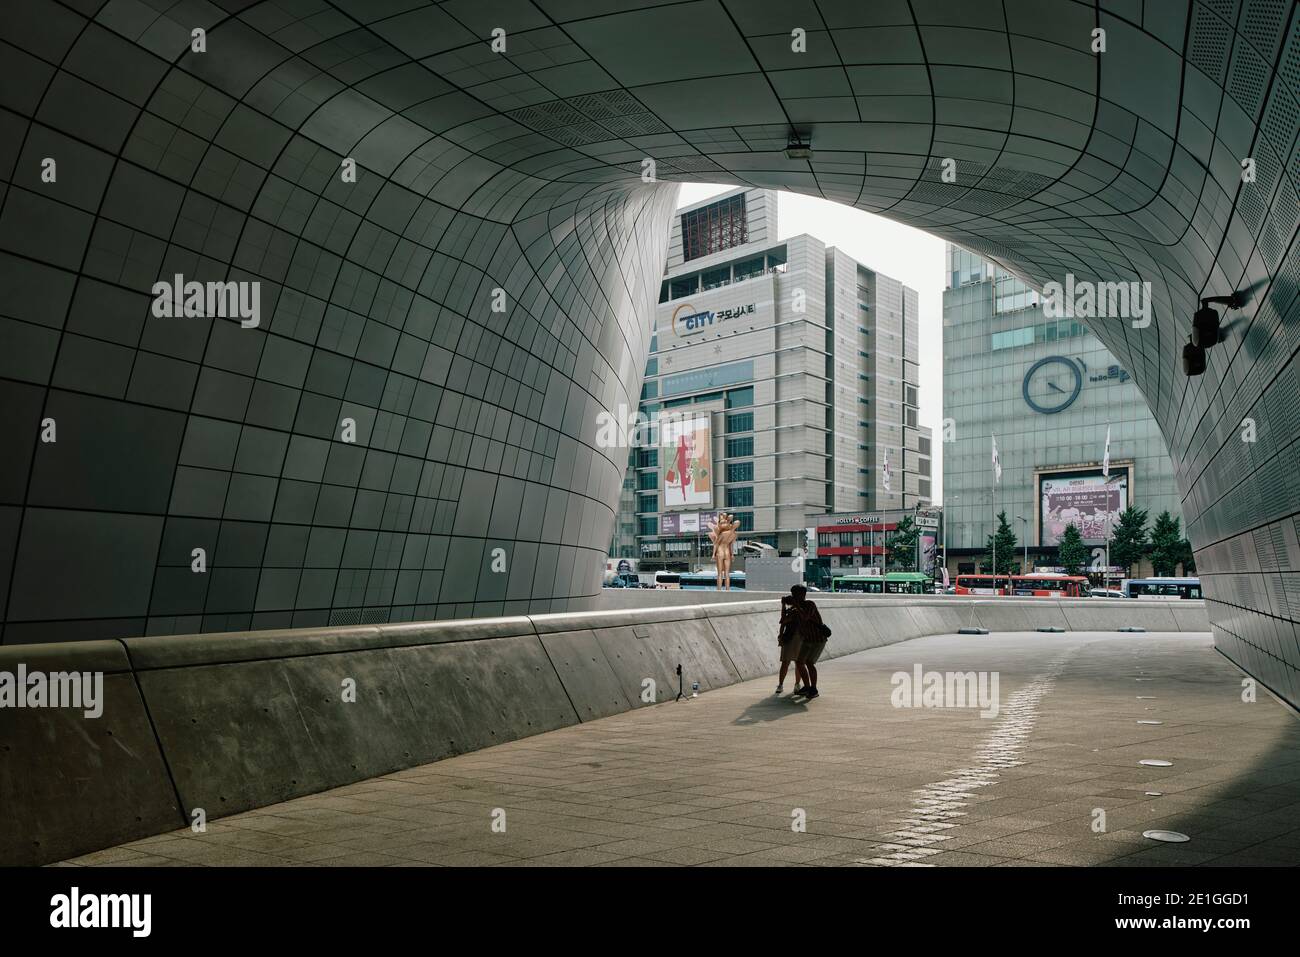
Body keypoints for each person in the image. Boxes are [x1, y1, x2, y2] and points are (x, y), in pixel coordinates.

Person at [790, 584, 827, 699]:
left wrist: (795, 605)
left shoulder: (810, 604)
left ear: (803, 595)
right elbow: (785, 620)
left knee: (809, 663)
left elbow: (805, 617)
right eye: (793, 595)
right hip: (807, 639)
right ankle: (807, 687)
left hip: (818, 639)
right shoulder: (795, 608)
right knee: (800, 662)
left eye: (797, 595)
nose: (795, 597)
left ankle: (814, 689)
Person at [774, 595, 809, 696]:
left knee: (787, 663)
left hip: (790, 638)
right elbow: (783, 621)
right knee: (798, 663)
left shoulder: (795, 611)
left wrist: (783, 606)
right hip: (796, 638)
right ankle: (796, 685)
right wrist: (784, 607)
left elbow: (783, 621)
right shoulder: (796, 610)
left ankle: (781, 685)